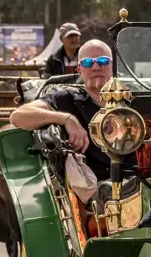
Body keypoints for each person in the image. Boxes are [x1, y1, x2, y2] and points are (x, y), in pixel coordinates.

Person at [10, 39, 114, 181]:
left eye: (103, 61)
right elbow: (18, 116)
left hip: (141, 181)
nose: (96, 67)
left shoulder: (132, 99)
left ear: (112, 66)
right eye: (87, 63)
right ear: (79, 70)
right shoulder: (68, 98)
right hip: (90, 187)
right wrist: (67, 119)